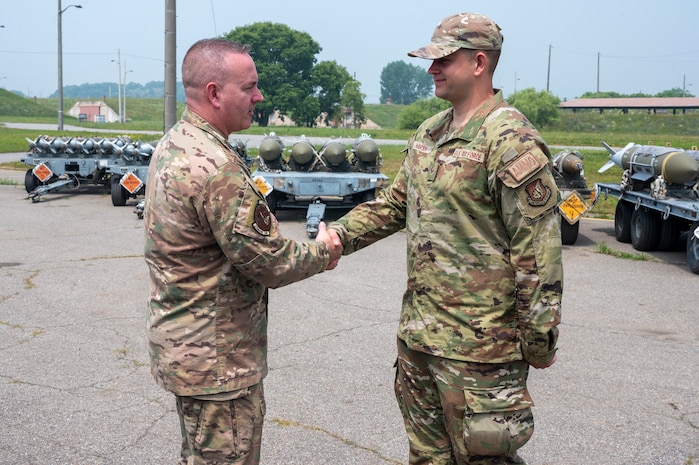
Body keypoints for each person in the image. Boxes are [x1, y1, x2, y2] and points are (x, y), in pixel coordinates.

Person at [327, 12, 562, 465]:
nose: (431, 68)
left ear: (478, 63)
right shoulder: (430, 133)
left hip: (481, 350)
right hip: (419, 339)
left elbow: (538, 255)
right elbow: (394, 205)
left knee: (485, 459)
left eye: (443, 60)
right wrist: (337, 236)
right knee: (427, 457)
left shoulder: (510, 140)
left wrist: (539, 340)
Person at [143, 38, 342, 465]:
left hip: (188, 348)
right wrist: (325, 249)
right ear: (214, 93)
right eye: (249, 87)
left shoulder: (176, 142)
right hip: (217, 364)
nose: (259, 96)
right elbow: (271, 261)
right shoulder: (216, 168)